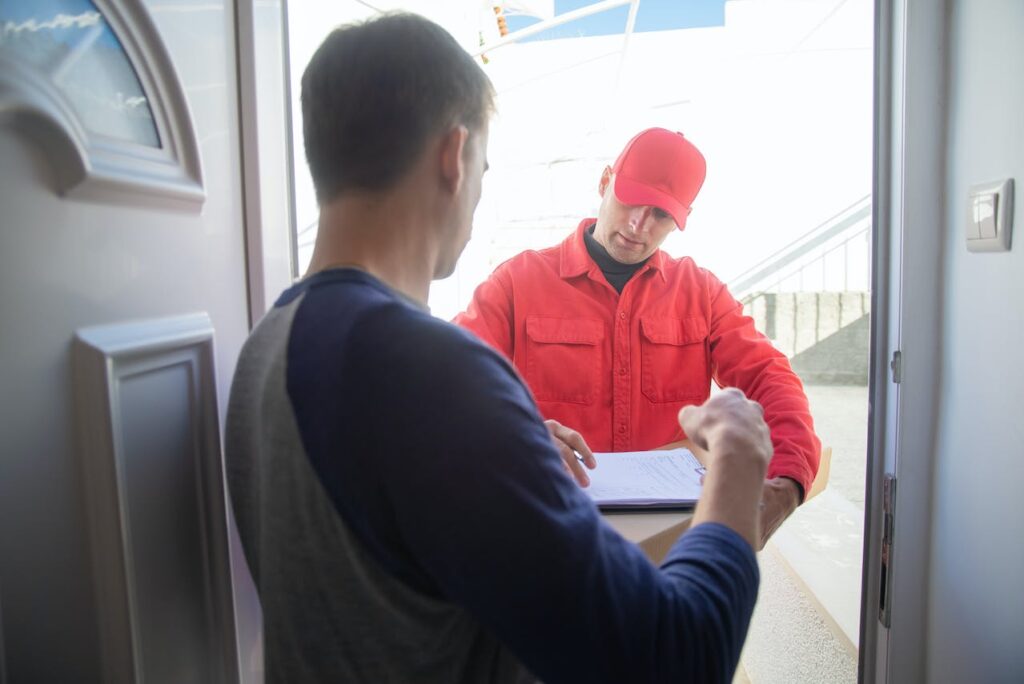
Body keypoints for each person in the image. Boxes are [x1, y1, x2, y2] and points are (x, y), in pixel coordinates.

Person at [226, 13, 772, 683]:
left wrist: (500, 438)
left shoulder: (264, 348)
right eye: (484, 164)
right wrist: (740, 460)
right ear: (455, 156)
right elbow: (678, 657)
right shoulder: (434, 376)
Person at [454, 127, 821, 547]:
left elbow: (770, 378)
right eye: (630, 199)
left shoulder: (701, 293)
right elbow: (451, 381)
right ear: (606, 181)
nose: (638, 225)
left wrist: (789, 482)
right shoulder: (517, 283)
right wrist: (516, 434)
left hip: (665, 542)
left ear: (682, 219)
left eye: (661, 215)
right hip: (548, 530)